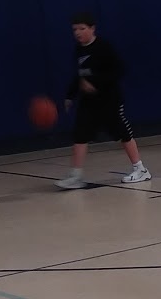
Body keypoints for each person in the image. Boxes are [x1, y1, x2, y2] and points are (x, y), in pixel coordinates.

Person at [57, 12, 151, 190]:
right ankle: (75, 176)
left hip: (109, 100)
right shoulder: (79, 50)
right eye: (74, 29)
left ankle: (140, 169)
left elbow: (119, 71)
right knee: (80, 134)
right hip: (88, 102)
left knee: (122, 133)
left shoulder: (103, 47)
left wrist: (96, 84)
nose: (78, 33)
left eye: (82, 28)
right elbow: (80, 75)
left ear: (92, 29)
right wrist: (70, 95)